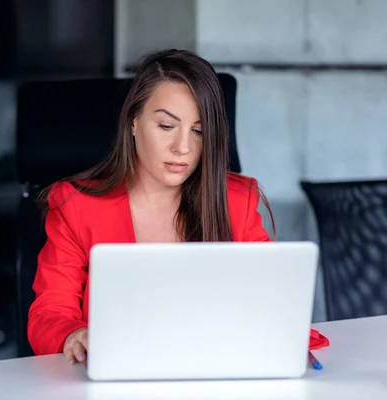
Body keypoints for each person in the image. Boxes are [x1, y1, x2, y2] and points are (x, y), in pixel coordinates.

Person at [27, 49, 274, 365]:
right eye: (166, 126)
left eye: (198, 131)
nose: (182, 147)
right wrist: (72, 335)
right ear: (133, 123)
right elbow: (51, 312)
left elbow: (270, 304)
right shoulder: (76, 206)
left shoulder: (236, 200)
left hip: (214, 375)